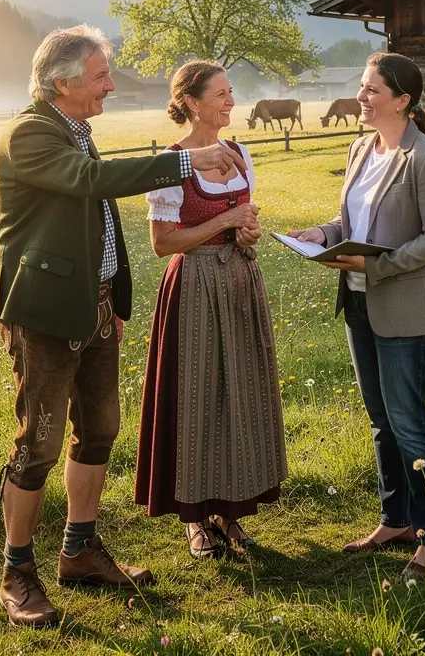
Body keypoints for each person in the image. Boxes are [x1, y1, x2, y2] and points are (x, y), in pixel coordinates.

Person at [0, 26, 247, 628]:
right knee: (39, 444)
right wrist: (185, 159)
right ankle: (16, 571)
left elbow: (92, 214)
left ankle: (79, 550)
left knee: (101, 429)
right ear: (63, 82)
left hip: (97, 307)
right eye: (102, 76)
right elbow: (91, 184)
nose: (112, 84)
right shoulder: (29, 133)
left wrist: (114, 300)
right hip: (47, 316)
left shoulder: (75, 131)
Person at [290, 51, 425, 576]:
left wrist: (379, 266)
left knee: (411, 424)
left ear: (403, 101)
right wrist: (323, 235)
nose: (361, 98)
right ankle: (396, 521)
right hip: (359, 302)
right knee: (381, 420)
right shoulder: (361, 147)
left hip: (406, 308)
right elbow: (350, 219)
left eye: (371, 91)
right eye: (362, 88)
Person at [135, 60, 288, 559]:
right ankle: (196, 519)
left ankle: (233, 512)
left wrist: (247, 230)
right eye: (221, 94)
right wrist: (226, 218)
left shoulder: (241, 152)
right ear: (193, 102)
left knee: (240, 392)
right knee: (197, 396)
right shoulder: (171, 160)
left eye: (231, 93)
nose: (230, 102)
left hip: (240, 279)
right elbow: (163, 243)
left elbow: (243, 223)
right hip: (197, 285)